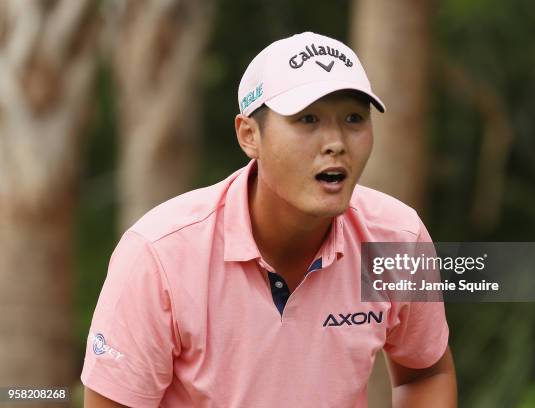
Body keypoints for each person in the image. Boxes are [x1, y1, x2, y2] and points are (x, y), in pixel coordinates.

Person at [82, 31, 457, 407]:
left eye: (354, 118)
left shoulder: (397, 237)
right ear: (249, 136)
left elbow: (426, 372)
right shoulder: (158, 255)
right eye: (308, 119)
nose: (336, 142)